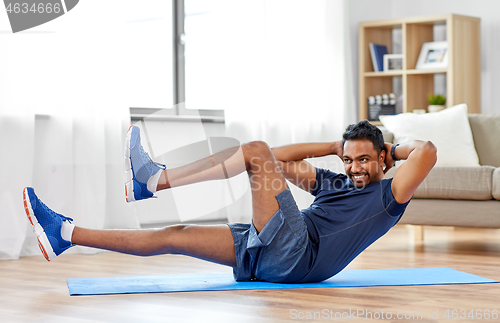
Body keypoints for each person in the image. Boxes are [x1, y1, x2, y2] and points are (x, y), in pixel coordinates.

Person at [23, 121, 437, 283]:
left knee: (252, 149)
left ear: (382, 158)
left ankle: (153, 180)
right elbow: (273, 158)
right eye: (348, 159)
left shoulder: (388, 197)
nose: (354, 167)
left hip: (298, 253)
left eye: (364, 159)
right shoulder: (334, 182)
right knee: (174, 235)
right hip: (274, 255)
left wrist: (390, 148)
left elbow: (428, 151)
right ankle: (65, 234)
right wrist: (333, 146)